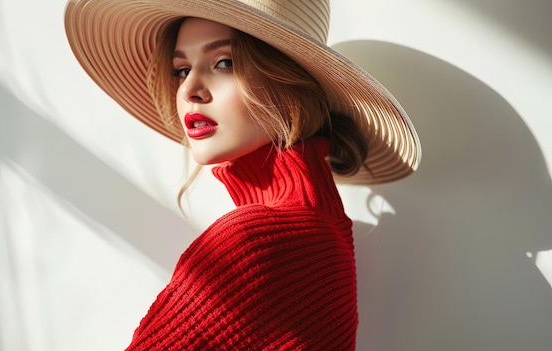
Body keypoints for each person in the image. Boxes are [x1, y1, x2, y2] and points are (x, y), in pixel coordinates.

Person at [64, 0, 421, 350]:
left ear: (289, 85)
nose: (189, 90)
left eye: (223, 62)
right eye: (181, 70)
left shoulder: (252, 245)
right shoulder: (329, 234)